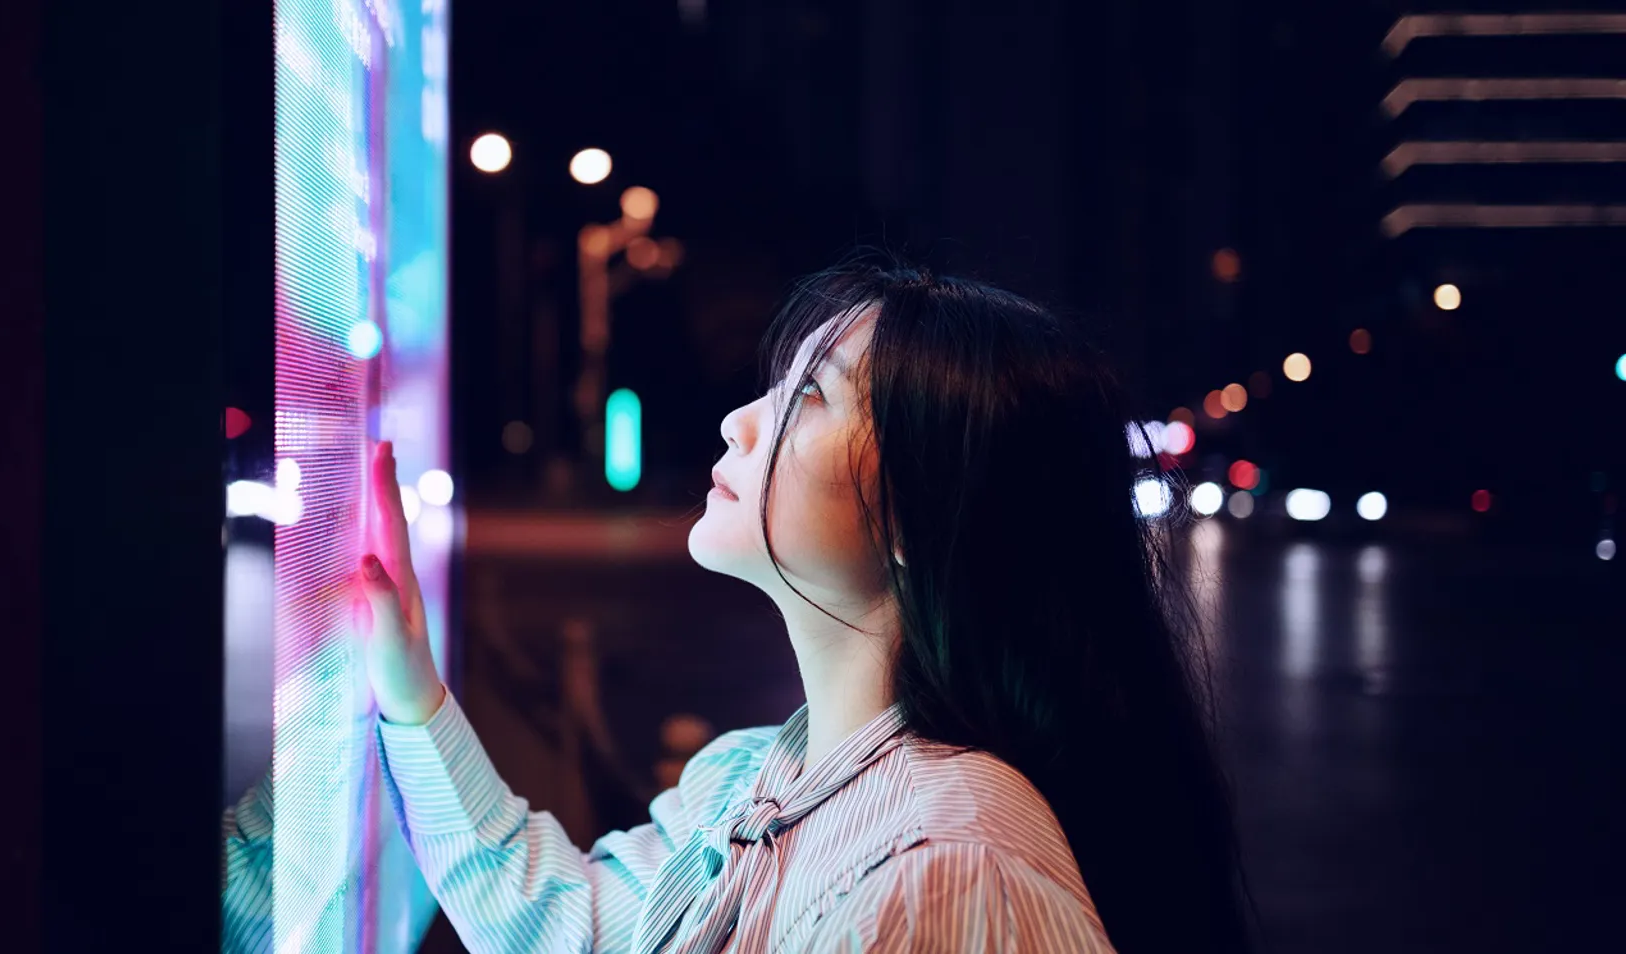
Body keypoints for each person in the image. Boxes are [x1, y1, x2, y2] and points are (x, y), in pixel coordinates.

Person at [225, 258, 1256, 953]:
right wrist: (412, 692)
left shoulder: (953, 866)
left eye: (808, 397)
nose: (739, 420)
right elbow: (573, 923)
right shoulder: (749, 781)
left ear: (926, 512)